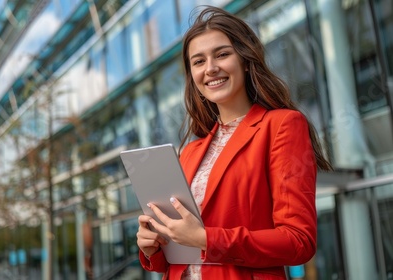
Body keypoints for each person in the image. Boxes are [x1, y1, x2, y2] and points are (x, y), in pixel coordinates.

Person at [136, 5, 333, 280]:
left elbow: (298, 241)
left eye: (222, 54)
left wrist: (207, 238)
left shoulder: (281, 126)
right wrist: (153, 246)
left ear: (245, 59)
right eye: (198, 61)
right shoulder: (191, 152)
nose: (211, 68)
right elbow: (178, 259)